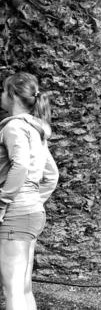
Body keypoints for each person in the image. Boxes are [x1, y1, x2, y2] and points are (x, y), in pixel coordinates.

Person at [0, 73, 58, 310]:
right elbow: (51, 174)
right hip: (31, 211)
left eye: (4, 91)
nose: (1, 95)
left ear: (12, 94)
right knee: (23, 288)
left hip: (15, 214)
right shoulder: (36, 130)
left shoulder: (14, 127)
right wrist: (34, 200)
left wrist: (3, 202)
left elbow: (21, 164)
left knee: (12, 291)